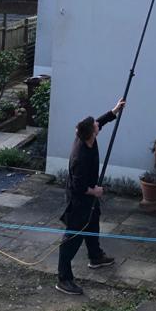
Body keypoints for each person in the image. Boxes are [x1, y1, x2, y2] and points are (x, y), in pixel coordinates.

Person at [56, 98, 126, 295]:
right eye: (95, 125)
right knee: (72, 237)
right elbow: (78, 187)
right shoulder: (80, 157)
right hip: (78, 199)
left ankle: (95, 257)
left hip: (88, 195)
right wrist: (94, 191)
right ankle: (64, 279)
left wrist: (114, 111)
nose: (97, 124)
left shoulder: (86, 135)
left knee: (93, 220)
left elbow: (100, 122)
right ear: (91, 134)